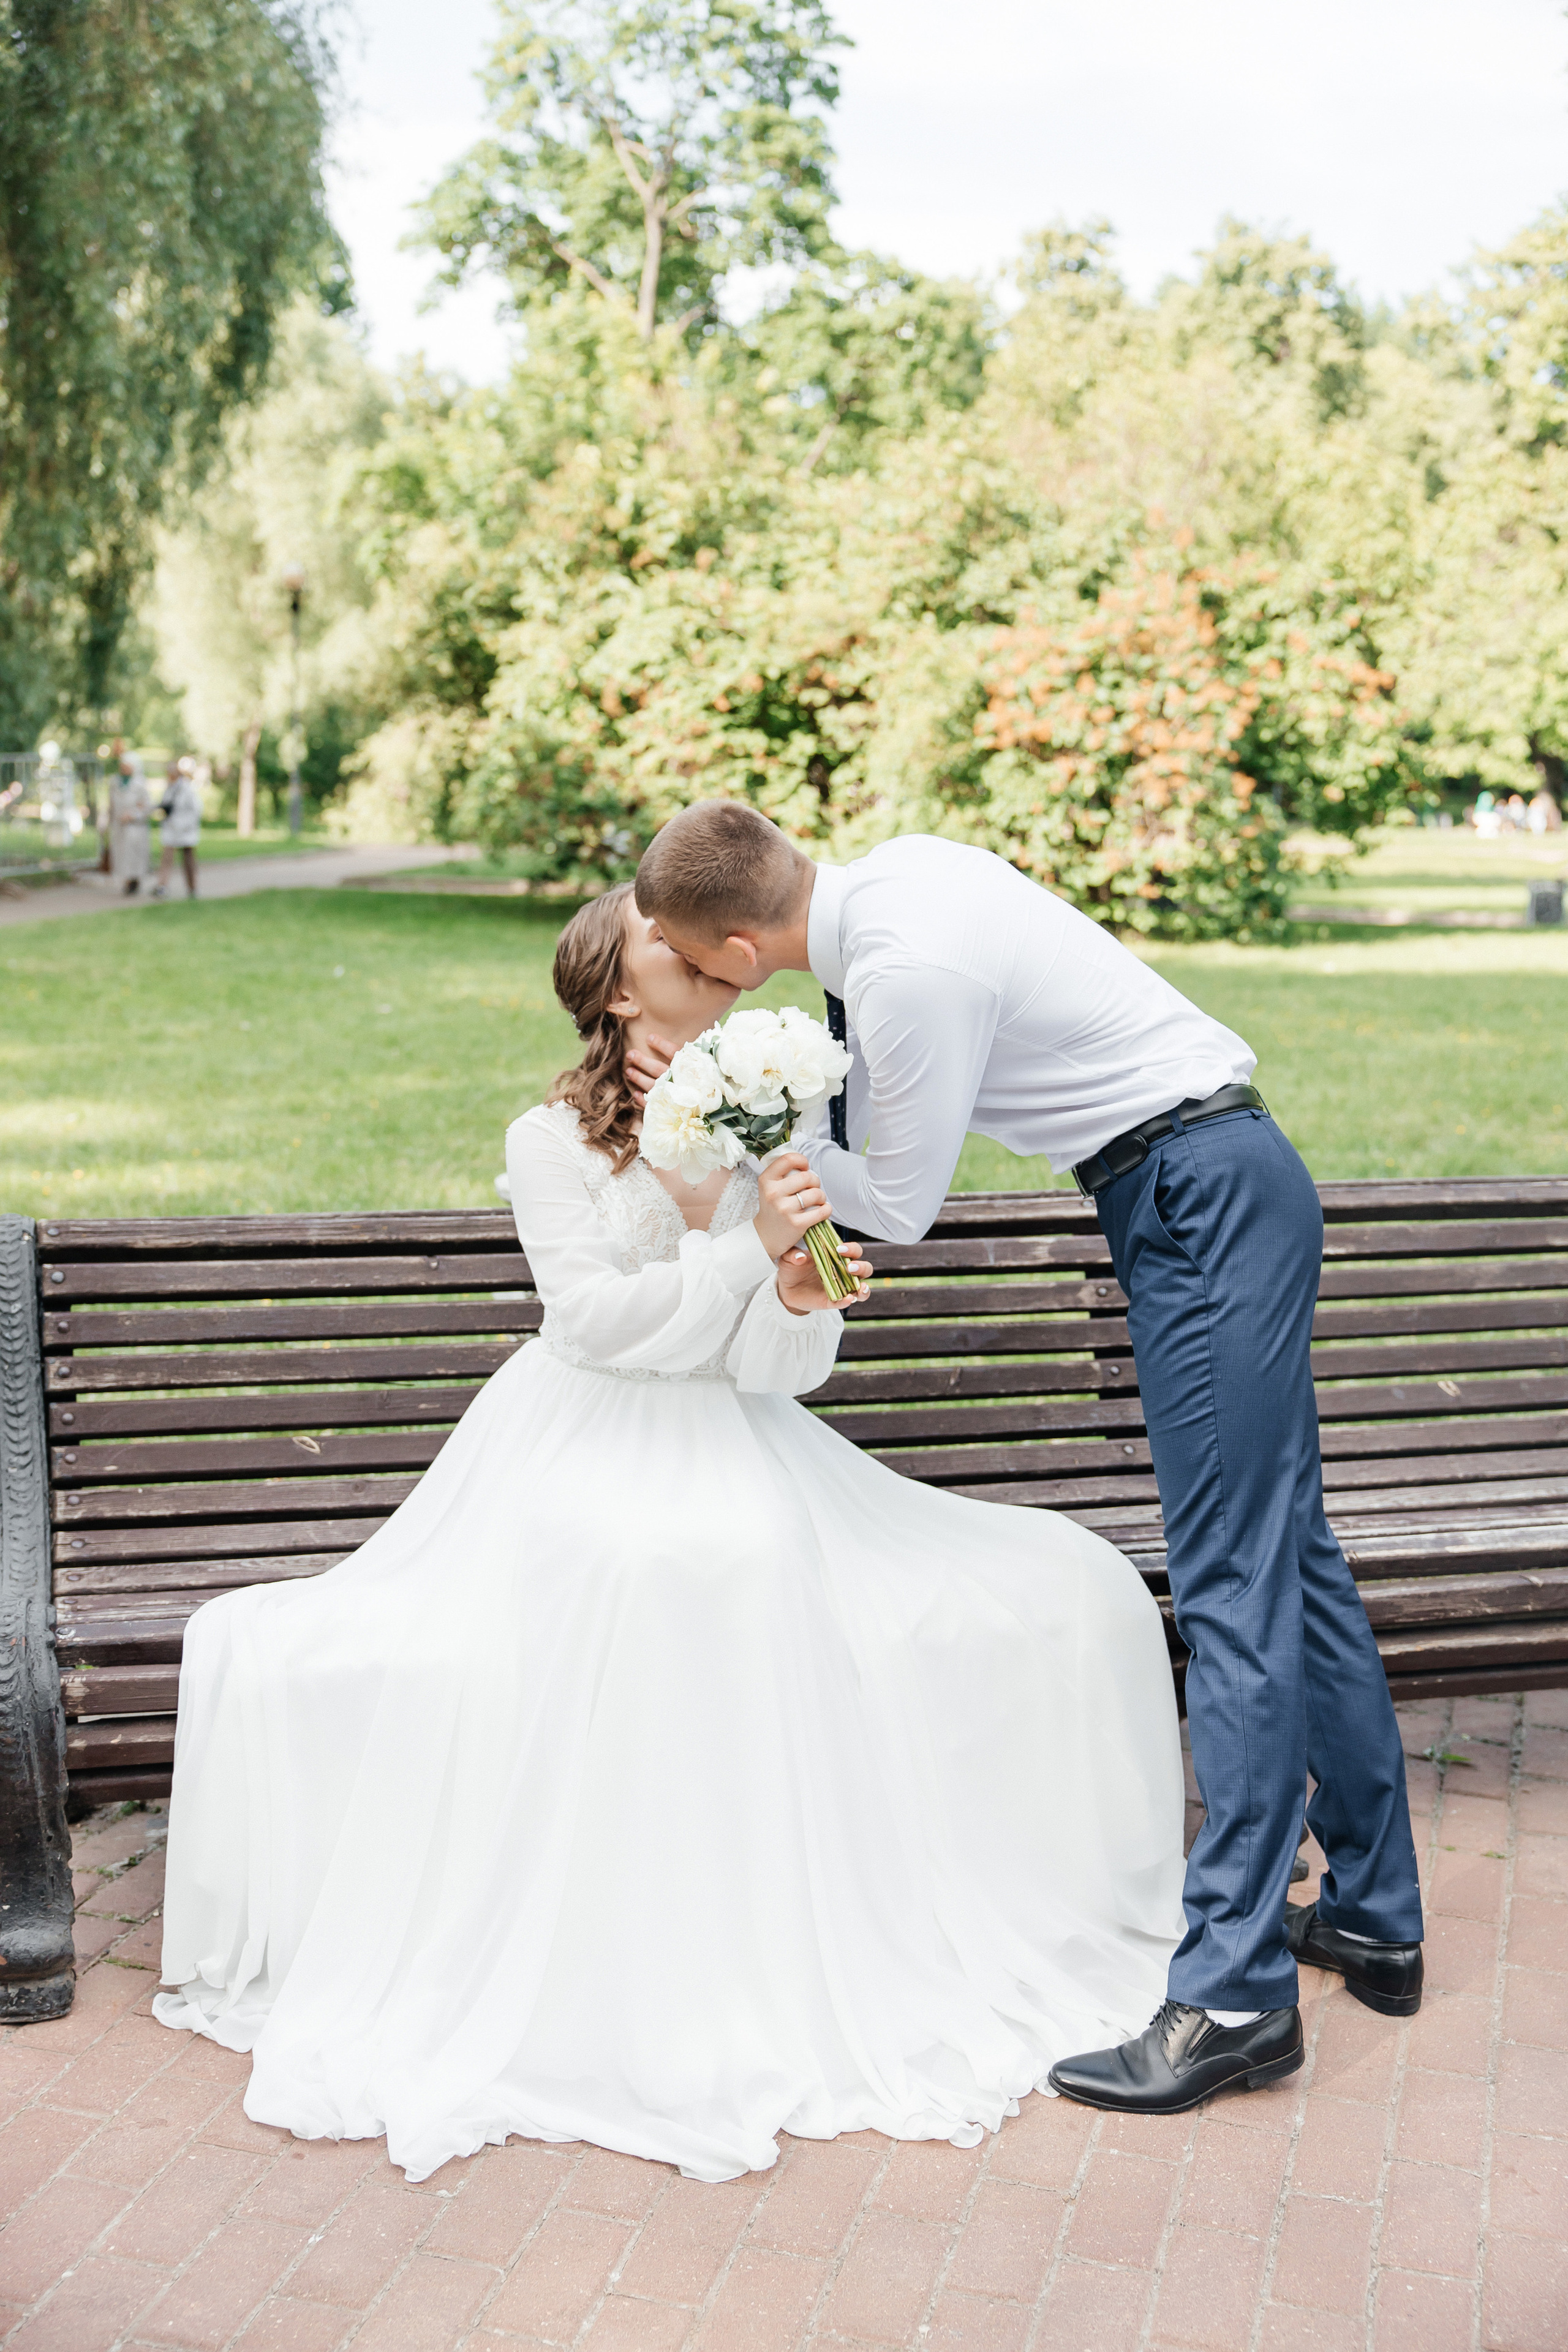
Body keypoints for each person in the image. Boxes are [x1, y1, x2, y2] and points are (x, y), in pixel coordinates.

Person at [153, 883, 1186, 2182]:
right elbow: (592, 1324)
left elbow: (781, 1370)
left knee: (1053, 1578)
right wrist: (735, 1248)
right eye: (658, 933)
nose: (693, 944)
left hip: (737, 1434)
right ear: (615, 984)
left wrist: (796, 1288)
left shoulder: (771, 1118)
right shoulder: (549, 1141)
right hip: (578, 1440)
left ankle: (775, 1936)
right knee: (679, 1560)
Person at [635, 806, 1425, 2119]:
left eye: (679, 951)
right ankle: (1375, 1914)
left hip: (1194, 1199)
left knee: (1231, 1584)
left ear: (733, 948)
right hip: (1216, 1178)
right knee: (1289, 1554)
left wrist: (758, 1140)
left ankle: (1234, 1999)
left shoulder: (903, 973)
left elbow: (900, 1203)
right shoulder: (900, 883)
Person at [153, 755, 202, 898]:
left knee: (188, 860)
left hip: (185, 830)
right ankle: (162, 886)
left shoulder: (187, 788)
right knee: (167, 858)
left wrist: (186, 825)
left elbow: (196, 810)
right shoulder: (169, 788)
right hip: (171, 829)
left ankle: (192, 888)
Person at [108, 753, 152, 894]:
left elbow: (146, 807)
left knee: (135, 856)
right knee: (121, 855)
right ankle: (126, 881)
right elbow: (111, 805)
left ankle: (134, 881)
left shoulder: (140, 784)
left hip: (135, 827)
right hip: (119, 826)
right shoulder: (115, 782)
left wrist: (133, 815)